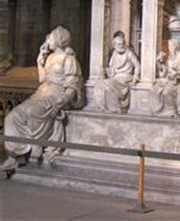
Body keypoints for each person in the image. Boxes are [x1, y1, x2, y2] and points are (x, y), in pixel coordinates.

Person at [0, 26, 83, 172]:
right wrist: (40, 60)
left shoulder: (69, 59)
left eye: (50, 38)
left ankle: (35, 144)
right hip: (41, 94)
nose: (47, 41)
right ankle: (15, 154)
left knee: (32, 112)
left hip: (55, 96)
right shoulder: (50, 57)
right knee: (12, 117)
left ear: (58, 39)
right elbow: (42, 78)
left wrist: (61, 102)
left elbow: (73, 86)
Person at [94, 34, 140, 114]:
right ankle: (103, 106)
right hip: (116, 77)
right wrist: (104, 71)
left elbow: (137, 65)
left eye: (122, 43)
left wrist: (135, 77)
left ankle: (115, 107)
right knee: (99, 84)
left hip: (125, 77)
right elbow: (112, 68)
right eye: (118, 44)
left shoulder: (129, 53)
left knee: (109, 84)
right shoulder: (114, 54)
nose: (121, 46)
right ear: (115, 45)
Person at [150, 40, 180, 117]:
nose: (168, 47)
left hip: (178, 80)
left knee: (165, 92)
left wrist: (176, 73)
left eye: (170, 46)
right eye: (168, 46)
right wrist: (159, 62)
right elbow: (164, 72)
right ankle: (158, 108)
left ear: (175, 47)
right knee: (154, 86)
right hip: (169, 79)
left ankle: (172, 111)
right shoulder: (169, 58)